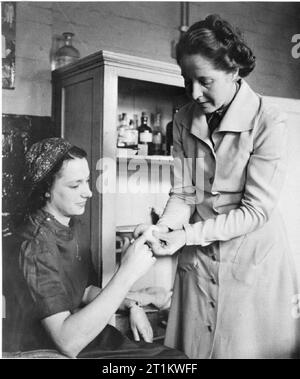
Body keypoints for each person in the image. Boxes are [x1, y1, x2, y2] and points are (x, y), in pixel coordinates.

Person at [134, 14, 300, 359]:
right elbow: (184, 193)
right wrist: (163, 229)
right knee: (193, 354)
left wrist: (187, 235)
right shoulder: (182, 119)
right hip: (199, 258)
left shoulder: (268, 121)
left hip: (252, 258)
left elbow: (255, 211)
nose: (194, 92)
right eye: (187, 79)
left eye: (204, 81)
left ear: (234, 71)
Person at [14, 137, 186, 359]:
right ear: (46, 189)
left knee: (172, 357)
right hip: (51, 349)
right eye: (75, 185)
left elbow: (83, 291)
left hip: (90, 339)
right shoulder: (36, 246)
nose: (88, 192)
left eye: (87, 181)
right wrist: (128, 272)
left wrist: (133, 304)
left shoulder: (70, 224)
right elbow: (68, 343)